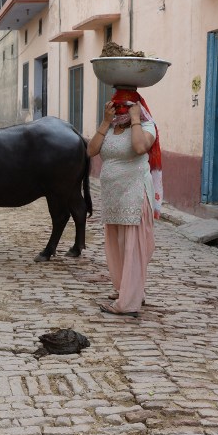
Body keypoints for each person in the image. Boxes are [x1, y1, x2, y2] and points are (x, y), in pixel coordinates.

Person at [87, 90, 162, 317]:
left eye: (125, 106)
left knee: (132, 246)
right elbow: (91, 150)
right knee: (117, 244)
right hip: (112, 196)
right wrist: (105, 121)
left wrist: (137, 119)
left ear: (136, 106)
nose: (121, 110)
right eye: (117, 105)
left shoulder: (147, 127)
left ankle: (128, 302)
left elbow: (140, 148)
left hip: (135, 193)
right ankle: (126, 289)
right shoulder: (110, 128)